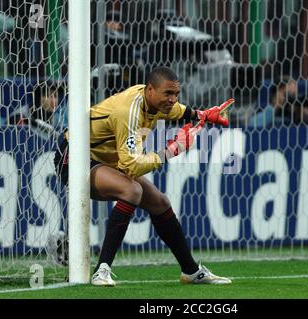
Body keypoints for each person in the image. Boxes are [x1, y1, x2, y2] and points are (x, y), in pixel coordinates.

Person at [54, 67, 233, 286]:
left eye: (176, 94)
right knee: (132, 189)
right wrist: (172, 150)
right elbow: (131, 167)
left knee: (160, 202)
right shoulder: (129, 110)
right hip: (74, 158)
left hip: (104, 160)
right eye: (168, 93)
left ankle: (191, 271)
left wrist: (203, 115)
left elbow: (179, 110)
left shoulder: (158, 103)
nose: (172, 99)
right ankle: (102, 270)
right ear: (150, 90)